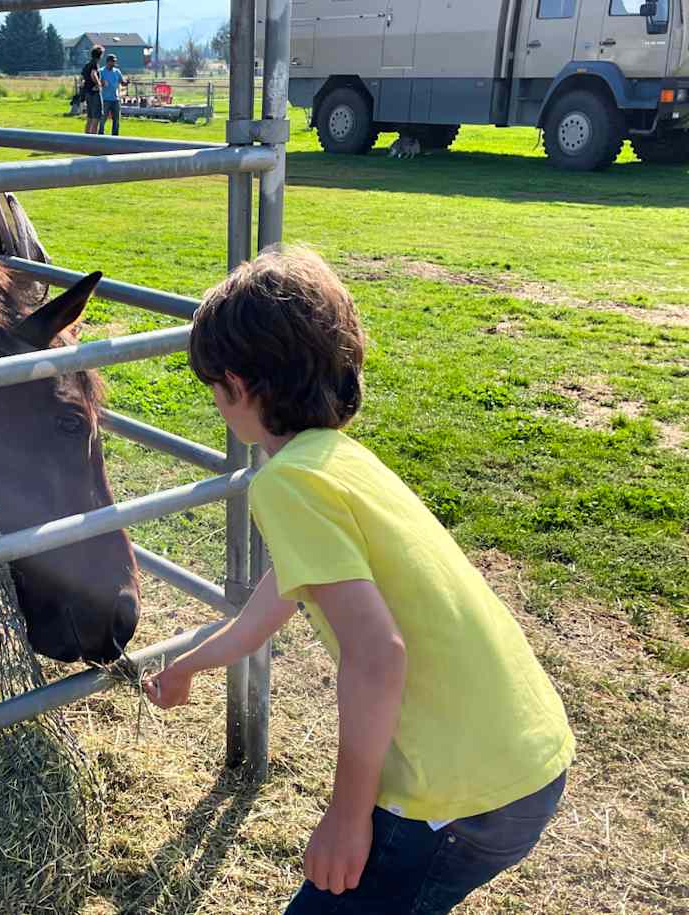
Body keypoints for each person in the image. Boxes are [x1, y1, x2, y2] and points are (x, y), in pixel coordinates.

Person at [142, 247, 575, 915]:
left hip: (457, 798)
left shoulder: (288, 483)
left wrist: (350, 817)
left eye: (214, 388)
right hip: (524, 760)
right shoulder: (340, 462)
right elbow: (270, 602)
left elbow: (377, 656)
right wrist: (189, 665)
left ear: (239, 383)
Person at [99, 53, 128, 135]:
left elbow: (122, 82)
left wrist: (126, 82)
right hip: (105, 99)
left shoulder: (117, 71)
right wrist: (102, 83)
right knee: (103, 118)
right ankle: (100, 134)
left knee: (116, 119)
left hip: (115, 99)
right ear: (108, 62)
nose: (114, 63)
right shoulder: (101, 71)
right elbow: (98, 82)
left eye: (114, 62)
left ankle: (115, 136)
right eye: (112, 62)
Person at [80, 45, 103, 135]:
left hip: (88, 93)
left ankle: (86, 139)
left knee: (89, 118)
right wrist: (98, 84)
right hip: (94, 93)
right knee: (96, 118)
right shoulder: (95, 64)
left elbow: (81, 79)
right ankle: (94, 141)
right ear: (100, 55)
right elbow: (93, 74)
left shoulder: (87, 64)